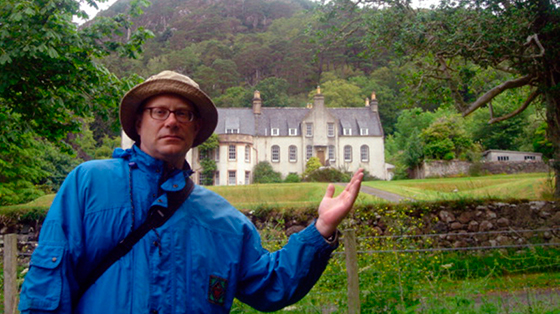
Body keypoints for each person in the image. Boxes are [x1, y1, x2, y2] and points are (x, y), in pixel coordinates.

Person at [19, 71, 364, 313]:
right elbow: (48, 289)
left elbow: (271, 284)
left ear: (196, 128)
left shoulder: (223, 218)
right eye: (159, 111)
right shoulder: (88, 184)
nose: (171, 121)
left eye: (183, 113)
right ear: (138, 122)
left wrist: (321, 229)